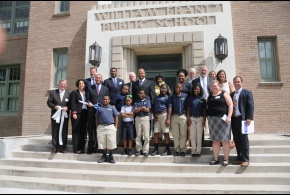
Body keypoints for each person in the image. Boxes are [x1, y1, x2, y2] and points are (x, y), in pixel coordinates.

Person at [207, 80, 233, 166]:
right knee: (215, 141)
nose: (214, 87)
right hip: (212, 120)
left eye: (215, 86)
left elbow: (230, 105)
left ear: (219, 86)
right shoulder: (209, 96)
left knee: (225, 140)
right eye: (212, 86)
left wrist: (229, 116)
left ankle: (226, 159)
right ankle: (216, 159)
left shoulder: (224, 94)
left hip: (223, 120)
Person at [231, 76, 254, 167]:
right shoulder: (232, 94)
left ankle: (246, 159)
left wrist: (249, 118)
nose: (236, 83)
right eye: (235, 82)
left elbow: (250, 106)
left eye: (238, 82)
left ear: (242, 82)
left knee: (244, 139)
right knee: (237, 139)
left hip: (243, 119)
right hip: (234, 119)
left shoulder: (247, 93)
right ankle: (239, 158)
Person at [86, 74, 109, 154]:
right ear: (95, 79)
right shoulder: (90, 87)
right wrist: (89, 102)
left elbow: (107, 99)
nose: (98, 79)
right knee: (91, 130)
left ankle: (98, 147)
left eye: (99, 78)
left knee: (100, 131)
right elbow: (87, 98)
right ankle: (90, 148)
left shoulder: (105, 89)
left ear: (102, 79)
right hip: (92, 111)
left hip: (101, 112)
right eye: (97, 78)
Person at [47, 79, 70, 154]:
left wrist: (67, 107)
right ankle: (54, 147)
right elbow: (49, 102)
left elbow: (71, 104)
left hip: (64, 115)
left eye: (64, 84)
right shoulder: (53, 92)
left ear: (66, 85)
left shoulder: (68, 93)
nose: (63, 85)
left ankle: (62, 147)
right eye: (62, 84)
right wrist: (54, 107)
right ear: (59, 84)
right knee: (55, 131)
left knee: (64, 131)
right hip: (55, 115)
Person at [95, 96, 119, 164]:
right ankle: (104, 156)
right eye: (104, 99)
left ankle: (111, 157)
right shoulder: (99, 108)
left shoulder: (112, 108)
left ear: (109, 100)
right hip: (101, 127)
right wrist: (97, 127)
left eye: (106, 99)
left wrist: (115, 127)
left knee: (111, 142)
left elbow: (116, 117)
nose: (105, 100)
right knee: (102, 142)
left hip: (110, 127)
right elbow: (96, 118)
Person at [151, 84, 172, 156]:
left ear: (167, 89)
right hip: (157, 116)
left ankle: (168, 150)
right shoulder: (156, 97)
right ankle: (156, 149)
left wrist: (168, 119)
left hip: (164, 115)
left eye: (165, 88)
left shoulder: (168, 98)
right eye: (162, 88)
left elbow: (169, 108)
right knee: (156, 133)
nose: (163, 90)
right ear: (159, 89)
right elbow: (153, 107)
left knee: (166, 133)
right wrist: (154, 116)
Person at [216, 69, 235, 148]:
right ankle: (221, 140)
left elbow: (233, 93)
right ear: (218, 76)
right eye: (220, 74)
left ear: (225, 75)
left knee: (230, 124)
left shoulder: (229, 83)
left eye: (223, 74)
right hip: (220, 107)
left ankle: (233, 141)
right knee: (221, 123)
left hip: (228, 106)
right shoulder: (216, 84)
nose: (221, 75)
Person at [187, 83, 206, 157]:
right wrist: (188, 118)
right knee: (193, 135)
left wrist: (204, 120)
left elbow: (204, 111)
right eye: (195, 89)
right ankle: (193, 151)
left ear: (200, 90)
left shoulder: (202, 99)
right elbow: (188, 109)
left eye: (197, 89)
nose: (196, 90)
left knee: (199, 136)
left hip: (200, 118)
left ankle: (198, 151)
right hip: (192, 118)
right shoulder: (190, 99)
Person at [69, 79, 88, 154]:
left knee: (83, 131)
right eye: (80, 83)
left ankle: (82, 148)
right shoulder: (74, 93)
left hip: (84, 113)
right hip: (77, 113)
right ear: (78, 85)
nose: (81, 85)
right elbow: (72, 103)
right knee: (76, 131)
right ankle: (76, 148)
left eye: (82, 83)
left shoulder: (86, 93)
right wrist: (74, 113)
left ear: (84, 84)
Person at [170, 83, 188, 156]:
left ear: (182, 88)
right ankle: (177, 150)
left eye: (179, 87)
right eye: (176, 87)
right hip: (174, 117)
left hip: (183, 116)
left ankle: (183, 150)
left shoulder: (185, 96)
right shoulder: (172, 97)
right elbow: (170, 107)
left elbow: (187, 107)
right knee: (175, 134)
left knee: (183, 134)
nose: (177, 89)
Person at [134, 89, 151, 156]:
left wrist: (140, 108)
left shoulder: (147, 101)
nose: (140, 95)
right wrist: (142, 108)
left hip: (145, 118)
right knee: (138, 135)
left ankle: (145, 150)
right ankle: (139, 149)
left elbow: (147, 110)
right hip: (138, 118)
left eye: (142, 93)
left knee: (146, 135)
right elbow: (135, 111)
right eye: (139, 93)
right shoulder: (136, 102)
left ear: (145, 94)